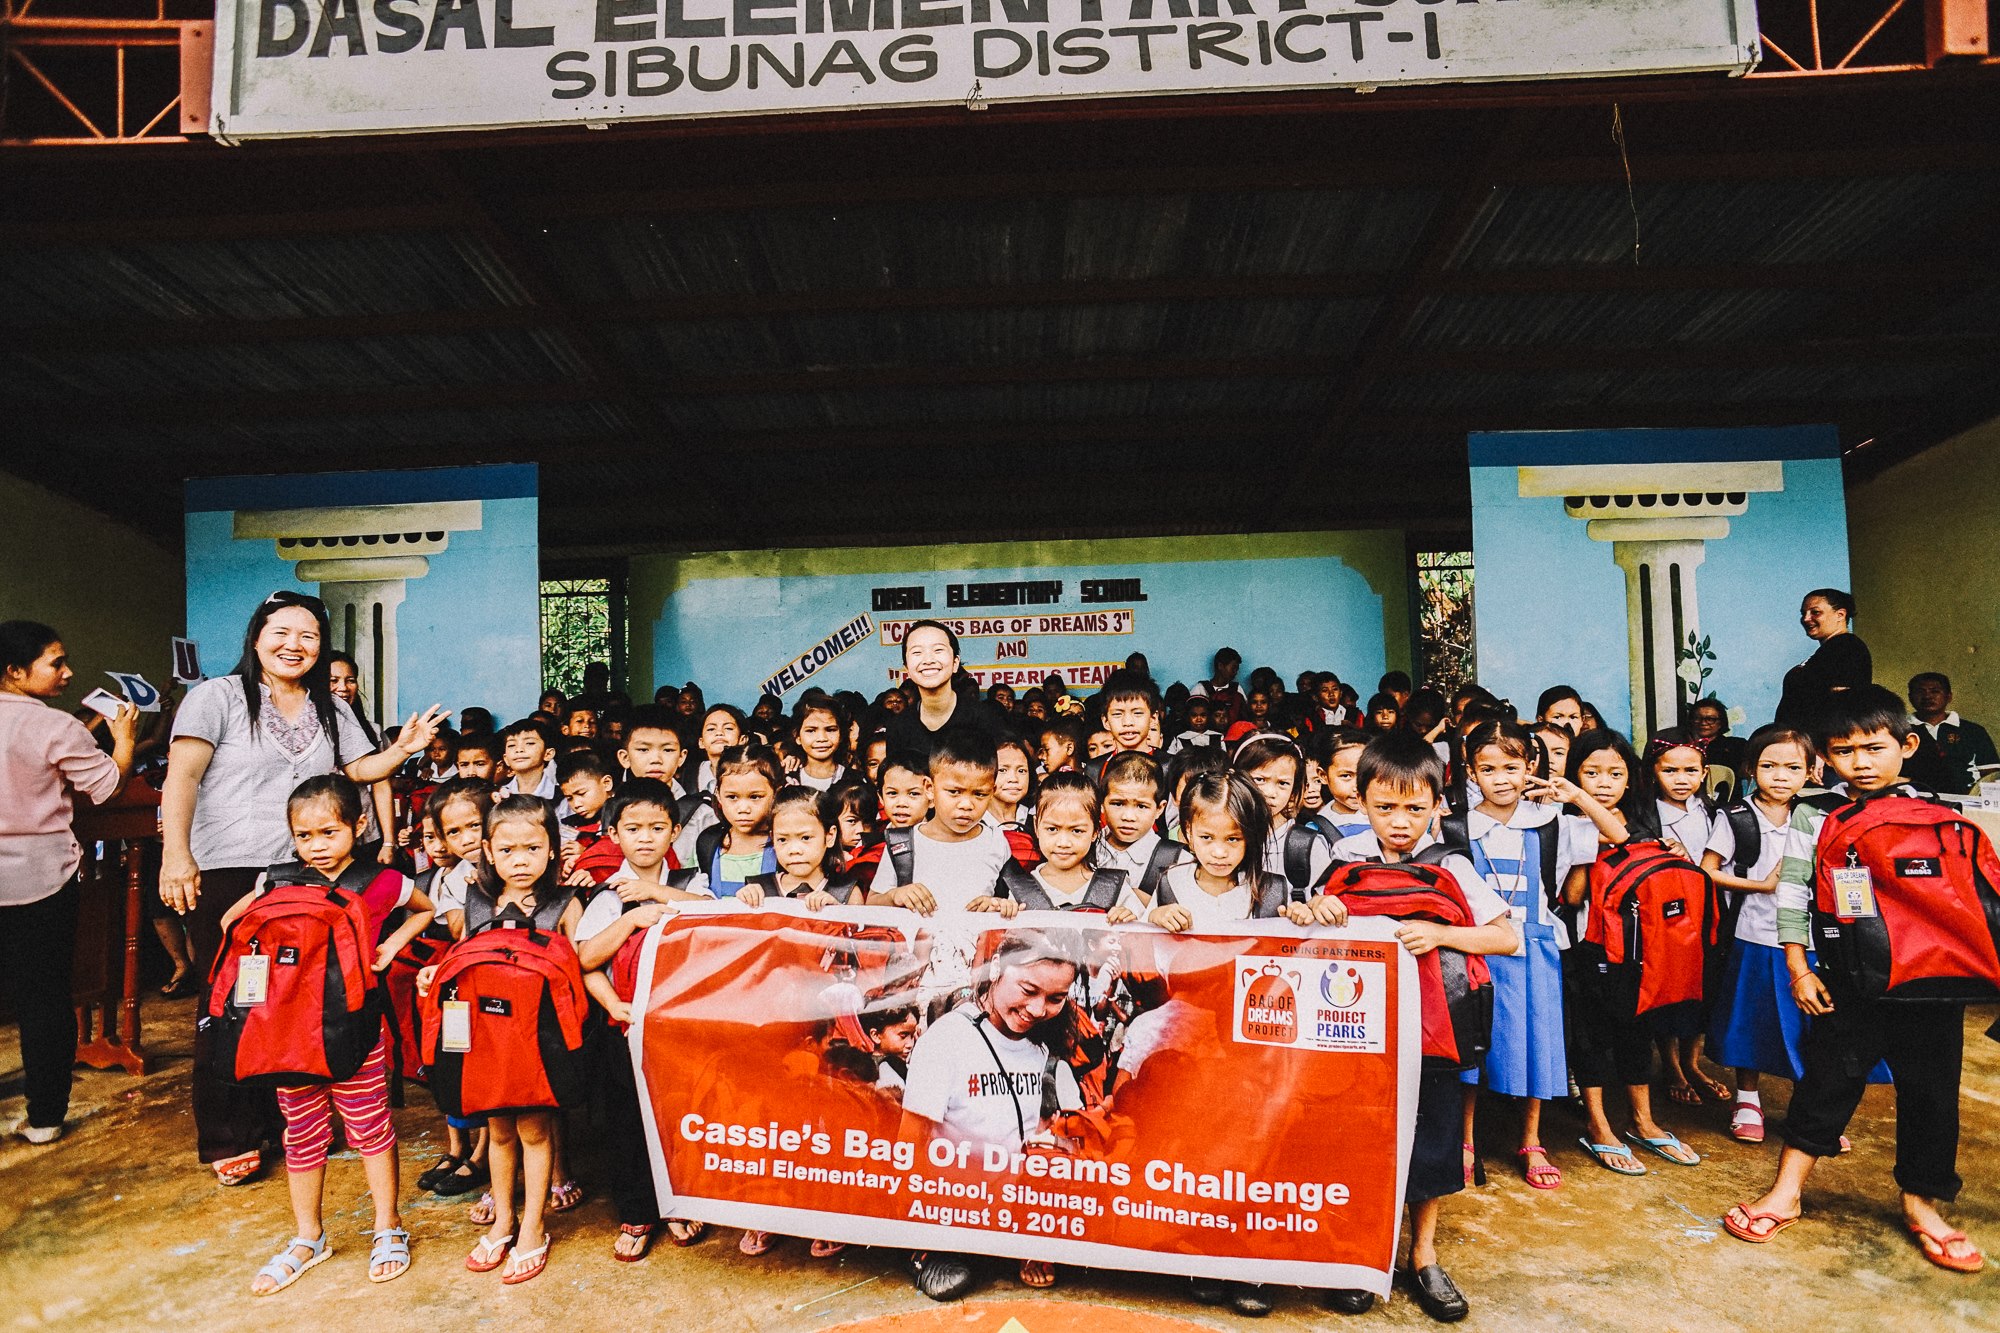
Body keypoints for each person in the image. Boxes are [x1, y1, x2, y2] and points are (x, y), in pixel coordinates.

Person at [161, 590, 442, 1186]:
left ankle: (284, 1122)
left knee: (294, 999)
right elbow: (182, 776)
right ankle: (229, 1134)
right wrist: (176, 854)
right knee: (232, 1003)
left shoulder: (329, 706)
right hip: (229, 869)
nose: (295, 645)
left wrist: (401, 750)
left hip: (307, 873)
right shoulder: (217, 697)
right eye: (282, 633)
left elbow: (357, 770)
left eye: (309, 636)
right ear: (256, 637)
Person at [1726, 686, 1984, 1273]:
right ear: (1825, 757)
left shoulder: (1940, 813)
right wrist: (1798, 966)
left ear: (1907, 745)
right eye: (1844, 752)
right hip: (1848, 977)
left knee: (1932, 1091)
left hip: (1929, 978)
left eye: (1874, 748)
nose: (1860, 763)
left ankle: (1922, 1205)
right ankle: (1786, 1192)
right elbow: (1792, 892)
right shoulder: (1816, 813)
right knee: (1827, 1081)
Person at [1313, 730, 1516, 1323]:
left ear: (1437, 803)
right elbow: (1306, 928)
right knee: (1361, 1144)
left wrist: (1442, 933)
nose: (1399, 822)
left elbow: (1505, 937)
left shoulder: (1451, 864)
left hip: (1433, 1031)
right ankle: (1363, 1253)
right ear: (1360, 800)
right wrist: (1316, 909)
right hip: (1354, 1032)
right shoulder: (1343, 859)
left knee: (1431, 1143)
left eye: (1414, 808)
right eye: (1385, 807)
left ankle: (1423, 1254)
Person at [230, 775, 434, 1294]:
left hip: (356, 1030)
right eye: (304, 836)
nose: (316, 846)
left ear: (359, 825)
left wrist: (390, 948)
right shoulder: (276, 881)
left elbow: (427, 911)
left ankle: (388, 1226)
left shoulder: (381, 880)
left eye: (329, 833)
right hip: (290, 1032)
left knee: (370, 1128)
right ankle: (308, 1237)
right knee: (301, 1132)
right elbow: (233, 924)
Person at [416, 795, 582, 1285]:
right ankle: (504, 1219)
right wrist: (436, 972)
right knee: (500, 1131)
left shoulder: (564, 903)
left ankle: (533, 1227)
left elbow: (577, 969)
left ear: (552, 850)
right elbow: (467, 962)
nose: (520, 860)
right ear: (488, 851)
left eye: (532, 848)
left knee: (534, 1132)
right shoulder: (476, 901)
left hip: (537, 1041)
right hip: (485, 1038)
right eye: (507, 850)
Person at [1701, 726, 1886, 1145]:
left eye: (1792, 767)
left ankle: (1810, 1113)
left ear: (1812, 771)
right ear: (1750, 769)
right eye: (1769, 766)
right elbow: (1706, 871)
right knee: (1752, 1021)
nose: (1780, 776)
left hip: (1815, 938)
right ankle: (1747, 1099)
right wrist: (1762, 886)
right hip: (1755, 934)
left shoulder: (1821, 814)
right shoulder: (1737, 817)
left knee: (1814, 1026)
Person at [0, 621, 139, 1144]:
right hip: (41, 879)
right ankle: (44, 1117)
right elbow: (107, 788)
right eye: (56, 663)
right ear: (15, 671)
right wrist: (123, 740)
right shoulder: (55, 726)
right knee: (44, 1000)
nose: (68, 672)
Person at [900, 929, 1086, 1301]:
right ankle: (929, 1251)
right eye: (1028, 990)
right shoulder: (947, 1039)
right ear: (998, 967)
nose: (1038, 1010)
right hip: (954, 1201)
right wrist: (920, 1230)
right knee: (955, 1277)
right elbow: (909, 1146)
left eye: (1056, 998)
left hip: (1014, 1202)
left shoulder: (1041, 1044)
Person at [1558, 732, 1699, 1177]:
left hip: (1637, 948)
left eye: (1615, 774)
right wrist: (1586, 851)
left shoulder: (1642, 819)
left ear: (1630, 778)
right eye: (1592, 773)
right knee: (1591, 1033)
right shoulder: (1563, 820)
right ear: (1574, 776)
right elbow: (1572, 896)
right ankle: (1598, 1124)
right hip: (1586, 944)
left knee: (1637, 1028)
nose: (1604, 783)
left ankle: (1642, 1120)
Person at [884, 622, 1005, 760]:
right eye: (917, 652)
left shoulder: (985, 718)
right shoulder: (898, 727)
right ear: (907, 668)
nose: (928, 660)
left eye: (938, 650)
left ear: (955, 663)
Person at [1775, 588, 1871, 735]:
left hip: (1818, 742)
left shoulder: (1847, 647)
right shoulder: (1831, 649)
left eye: (1815, 612)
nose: (1806, 619)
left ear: (1840, 615)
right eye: (1803, 613)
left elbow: (1843, 703)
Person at [1907, 672, 1999, 794]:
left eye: (1935, 691)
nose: (1927, 696)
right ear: (1910, 697)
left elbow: (1991, 775)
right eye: (1920, 691)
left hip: (1966, 798)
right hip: (1914, 797)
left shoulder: (1973, 731)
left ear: (1948, 696)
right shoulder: (1899, 730)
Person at [790, 694, 849, 791]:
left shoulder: (855, 780)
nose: (822, 738)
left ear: (841, 735)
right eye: (811, 731)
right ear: (797, 736)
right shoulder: (787, 779)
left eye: (830, 730)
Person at [1186, 647, 1245, 728]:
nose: (1236, 672)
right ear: (1220, 666)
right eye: (1233, 668)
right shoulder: (1200, 689)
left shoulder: (1237, 688)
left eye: (1237, 669)